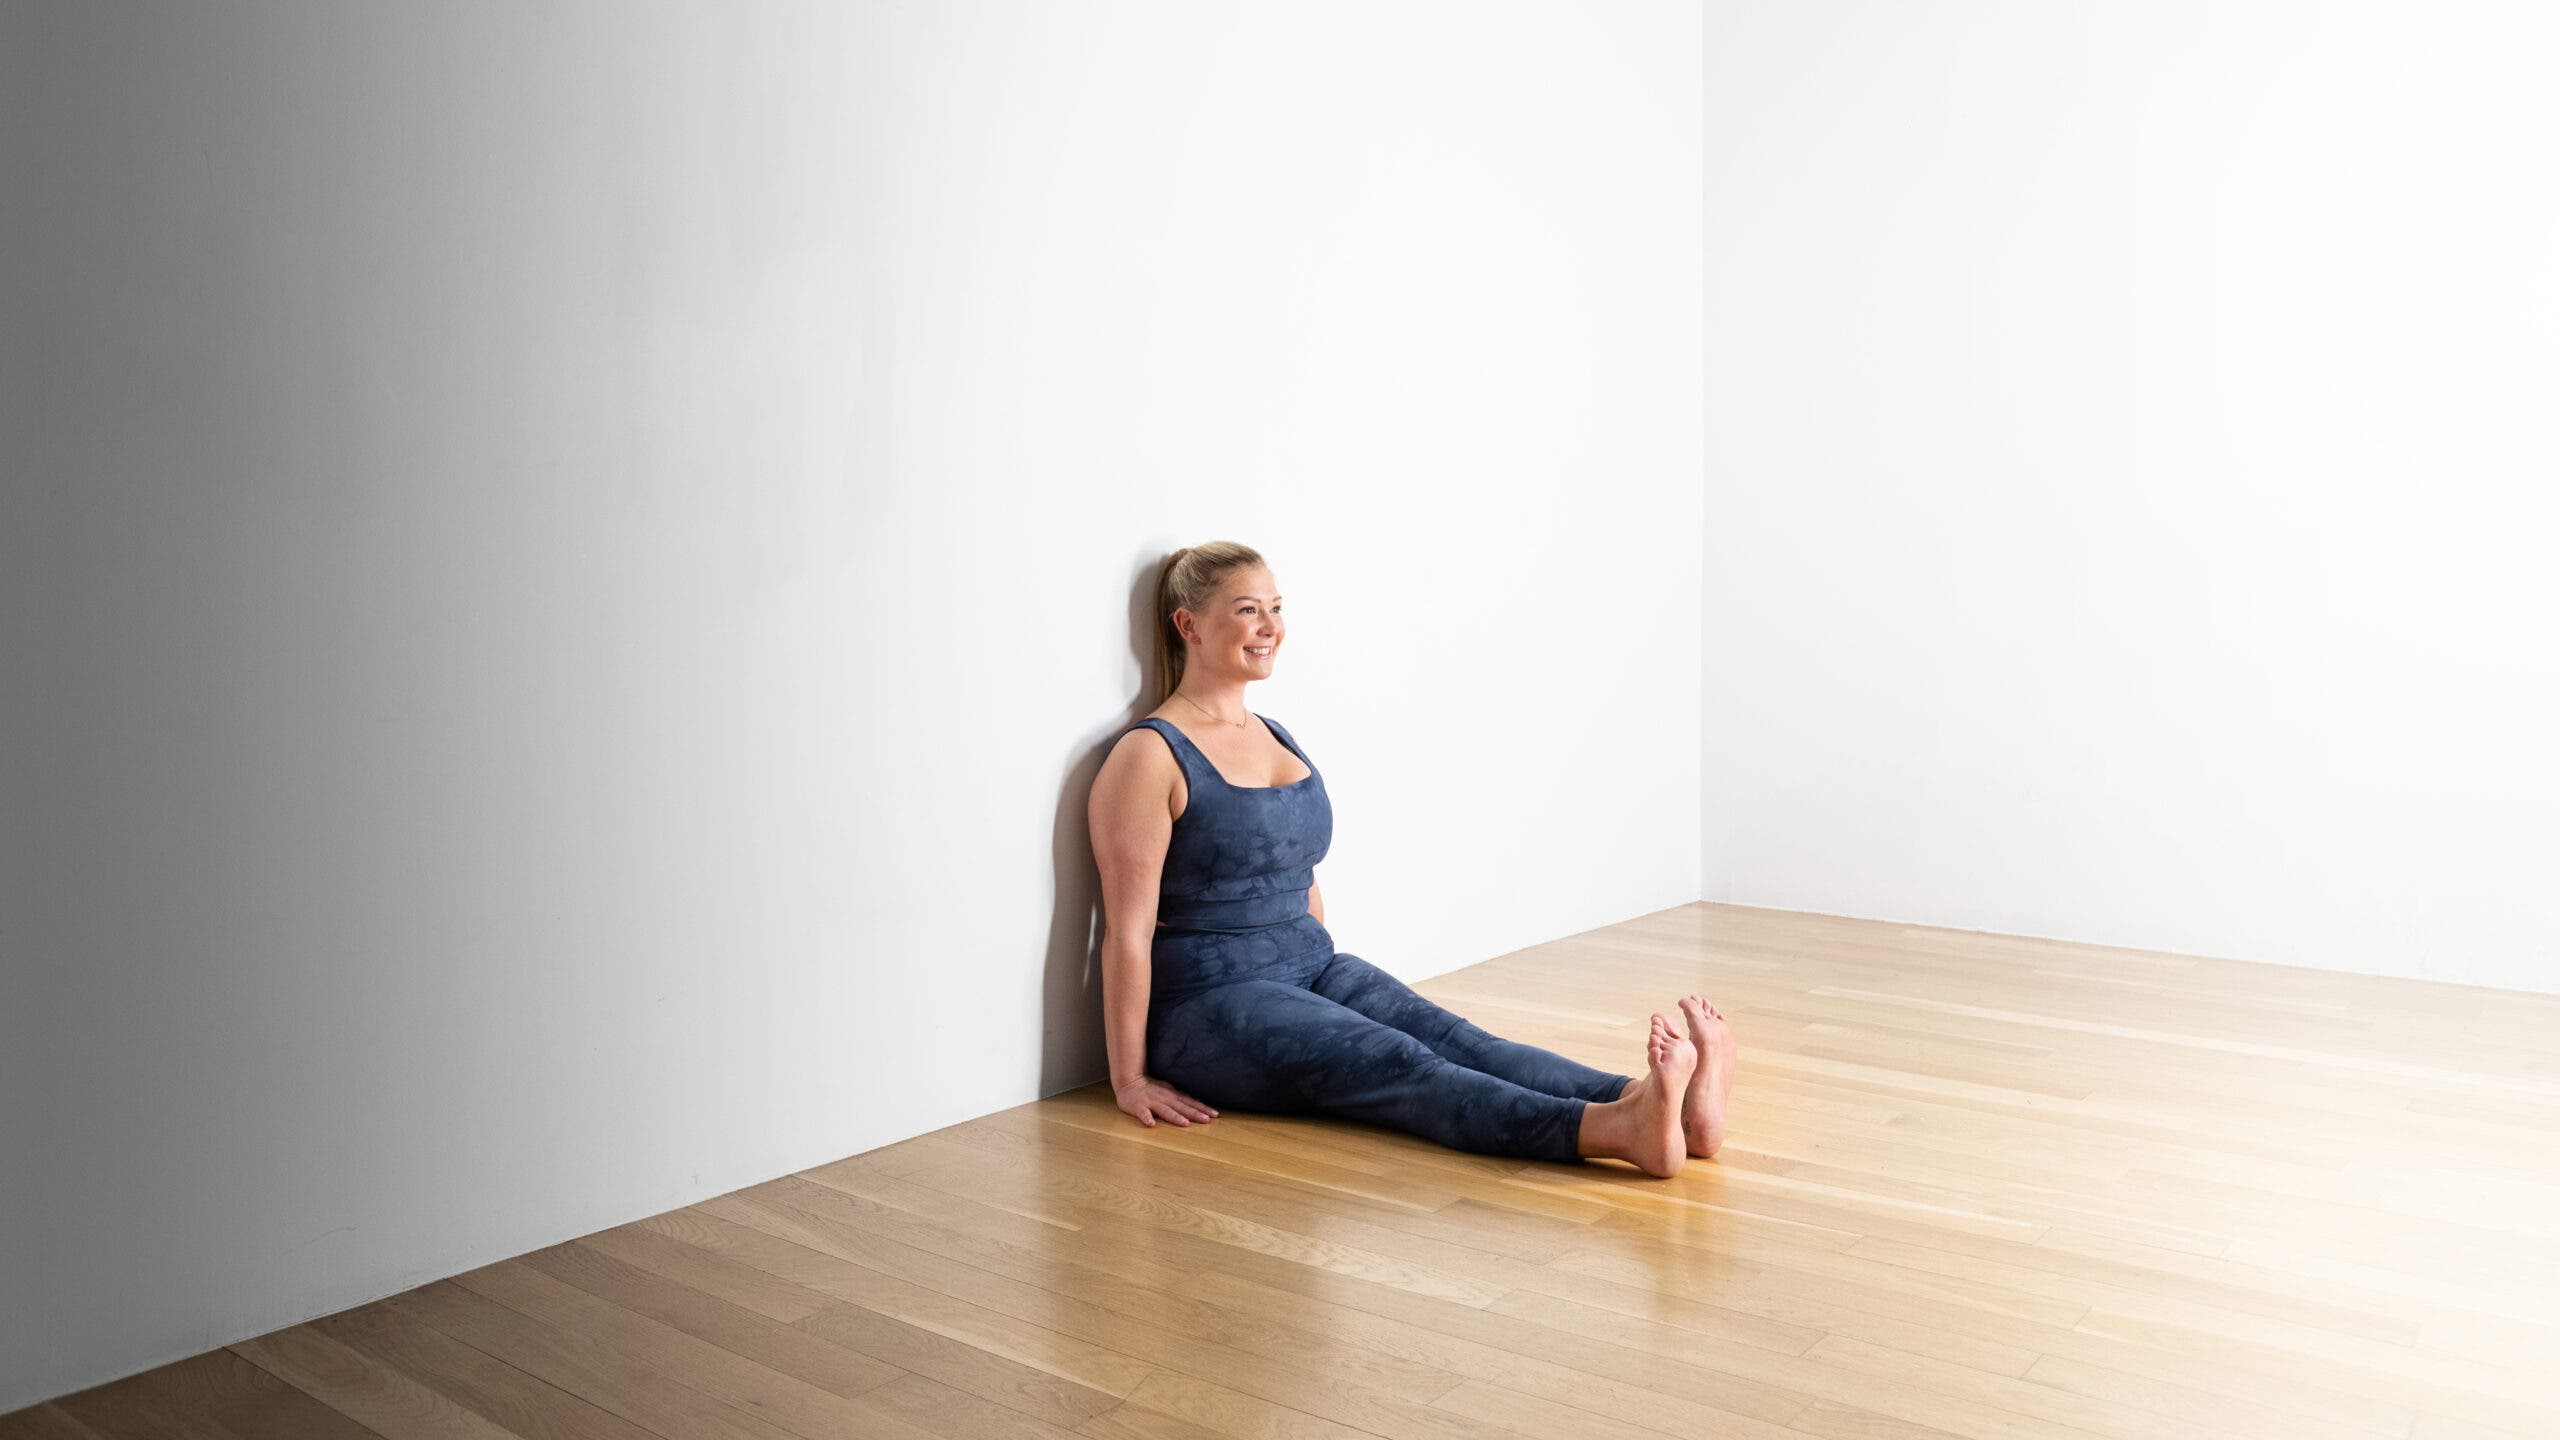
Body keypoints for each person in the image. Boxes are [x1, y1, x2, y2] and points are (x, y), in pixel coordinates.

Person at [1086, 542, 1737, 1176]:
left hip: (1311, 964)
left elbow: (1300, 873)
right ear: (1188, 625)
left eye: (1276, 608)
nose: (1270, 628)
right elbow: (1128, 933)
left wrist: (1330, 978)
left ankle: (1658, 1105)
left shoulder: (1271, 733)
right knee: (1402, 1062)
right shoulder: (1149, 756)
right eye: (1249, 610)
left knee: (1463, 1042)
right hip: (1208, 1003)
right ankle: (1617, 1133)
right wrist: (1129, 1077)